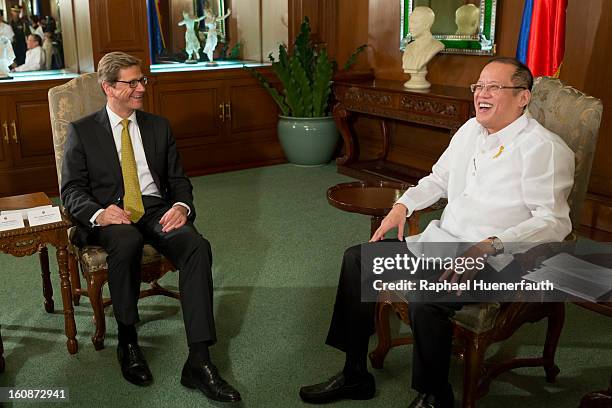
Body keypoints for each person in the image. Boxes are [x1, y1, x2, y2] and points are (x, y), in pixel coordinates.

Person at [298, 58, 575, 408]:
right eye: (479, 86)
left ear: (522, 97)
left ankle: (433, 396)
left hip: (500, 261)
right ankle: (354, 374)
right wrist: (403, 206)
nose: (482, 94)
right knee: (358, 261)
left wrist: (491, 245)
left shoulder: (544, 149)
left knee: (426, 297)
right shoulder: (470, 130)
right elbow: (438, 179)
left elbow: (554, 221)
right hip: (443, 243)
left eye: (494, 87)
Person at [61, 52, 241, 403]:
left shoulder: (159, 126)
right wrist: (99, 213)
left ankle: (200, 360)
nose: (142, 87)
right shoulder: (82, 132)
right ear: (109, 88)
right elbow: (70, 191)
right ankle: (128, 341)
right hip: (111, 214)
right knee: (126, 241)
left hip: (155, 208)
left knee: (196, 247)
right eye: (132, 82)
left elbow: (179, 180)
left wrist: (181, 206)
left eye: (142, 80)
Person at [402, 6, 444, 89]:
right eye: (410, 22)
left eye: (414, 22)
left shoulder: (436, 46)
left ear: (426, 25)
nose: (410, 26)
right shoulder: (408, 47)